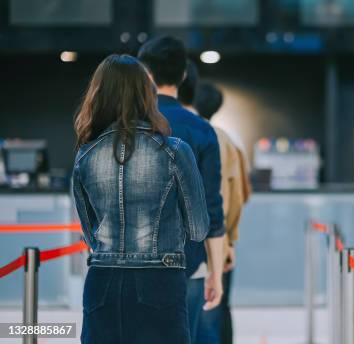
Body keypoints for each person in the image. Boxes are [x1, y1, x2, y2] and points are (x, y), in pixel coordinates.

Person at [73, 54, 209, 343]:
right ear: (147, 94)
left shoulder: (85, 154)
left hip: (102, 281)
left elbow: (89, 233)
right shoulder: (175, 150)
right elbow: (199, 229)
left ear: (98, 94)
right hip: (160, 280)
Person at [138, 36, 226, 342]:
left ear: (145, 74)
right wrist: (215, 270)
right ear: (184, 75)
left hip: (132, 261)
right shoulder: (202, 130)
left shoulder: (126, 124)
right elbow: (213, 208)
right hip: (187, 263)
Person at [178, 63, 251, 344]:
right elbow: (237, 194)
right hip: (215, 242)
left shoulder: (161, 129)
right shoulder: (223, 139)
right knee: (211, 319)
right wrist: (229, 239)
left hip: (177, 246)